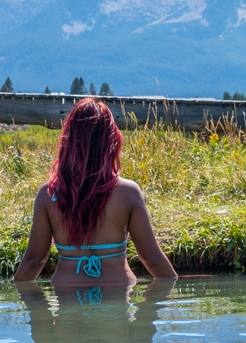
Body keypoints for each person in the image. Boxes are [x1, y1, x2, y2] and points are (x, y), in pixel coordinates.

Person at [12, 97, 176, 288]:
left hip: (68, 298)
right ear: (111, 141)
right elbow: (153, 259)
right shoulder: (128, 193)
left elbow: (34, 262)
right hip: (117, 298)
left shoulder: (48, 195)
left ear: (69, 141)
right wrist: (174, 294)